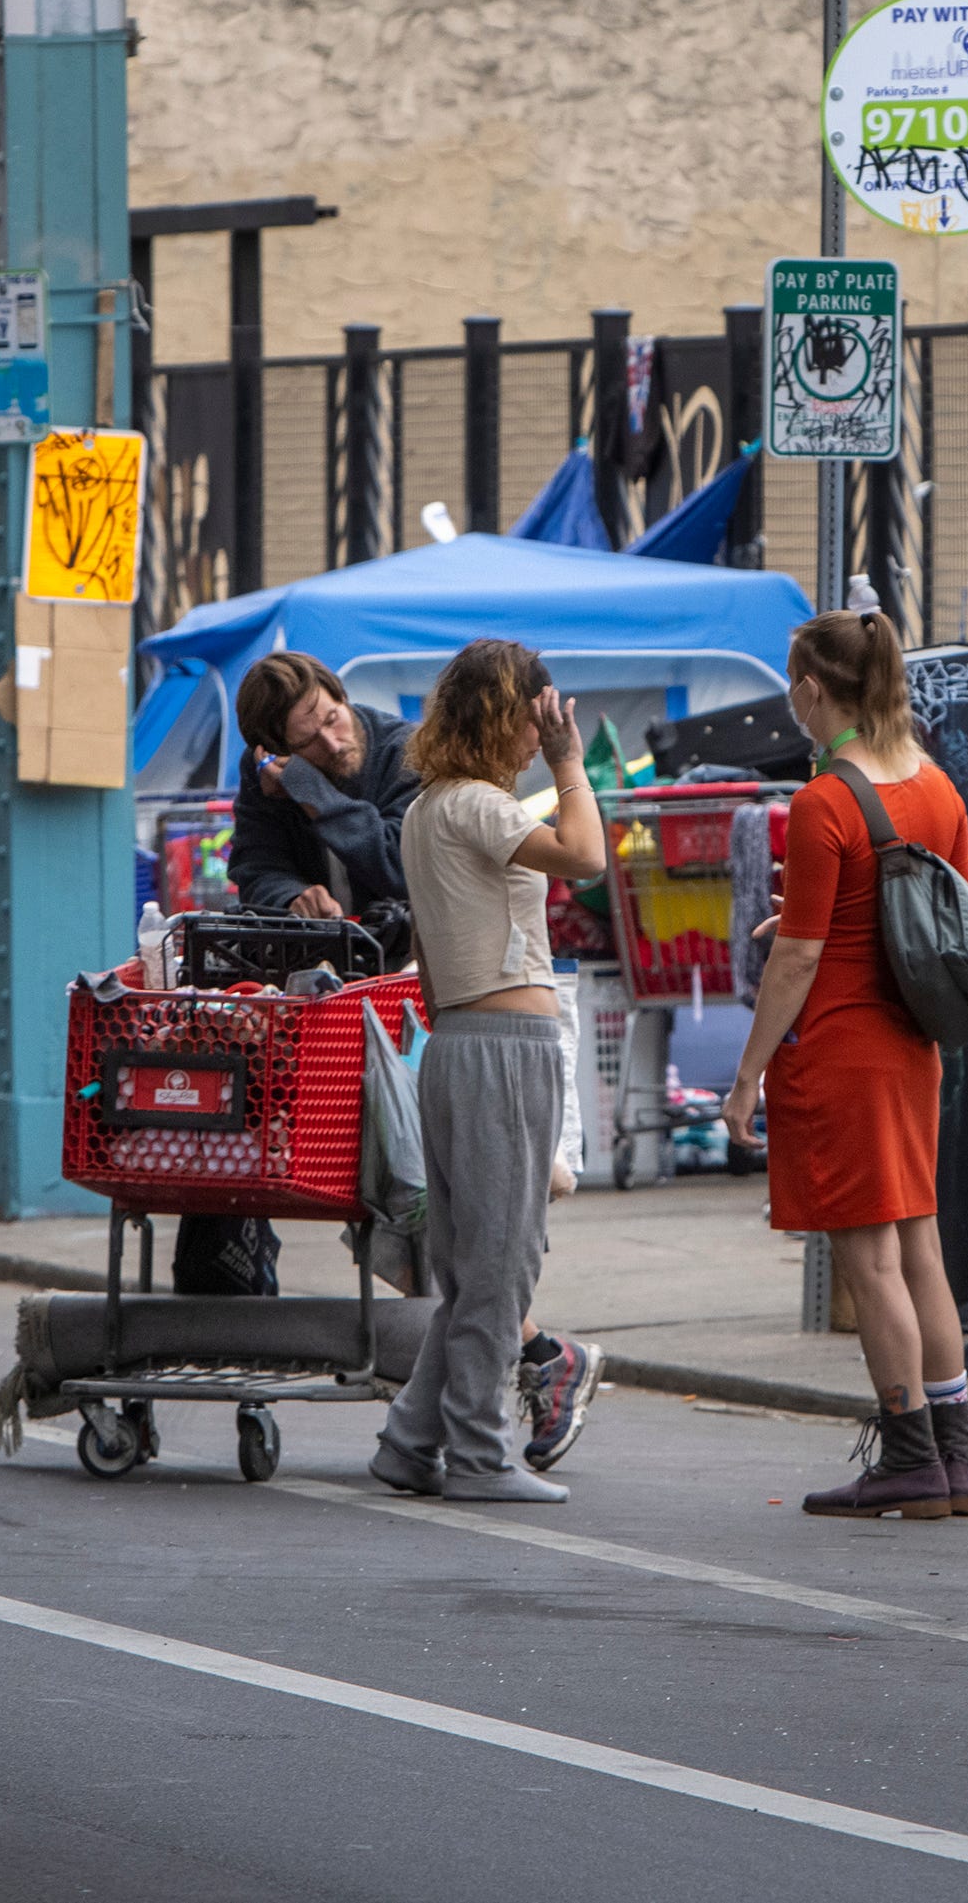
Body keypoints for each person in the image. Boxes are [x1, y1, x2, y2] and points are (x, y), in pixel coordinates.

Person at [719, 612, 968, 1521]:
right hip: (913, 1046)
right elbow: (941, 918)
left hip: (841, 1048)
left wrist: (747, 1073)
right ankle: (960, 1457)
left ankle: (908, 1450)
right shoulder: (939, 788)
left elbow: (797, 962)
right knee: (921, 1247)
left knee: (868, 1261)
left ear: (811, 689)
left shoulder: (824, 801)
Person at [375, 640, 610, 1504]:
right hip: (506, 1050)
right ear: (499, 716)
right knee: (505, 1266)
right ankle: (478, 1452)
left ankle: (410, 1439)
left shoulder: (426, 809)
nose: (536, 732)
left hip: (456, 1046)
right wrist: (570, 764)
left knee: (475, 1268)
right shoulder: (478, 805)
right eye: (529, 715)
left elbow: (431, 966)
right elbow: (586, 857)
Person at [226, 652, 419, 932]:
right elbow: (256, 868)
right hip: (317, 954)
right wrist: (290, 898)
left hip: (405, 954)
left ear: (342, 697)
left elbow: (402, 870)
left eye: (332, 720)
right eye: (307, 742)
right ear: (277, 754)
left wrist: (313, 793)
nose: (333, 745)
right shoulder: (265, 772)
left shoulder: (404, 750)